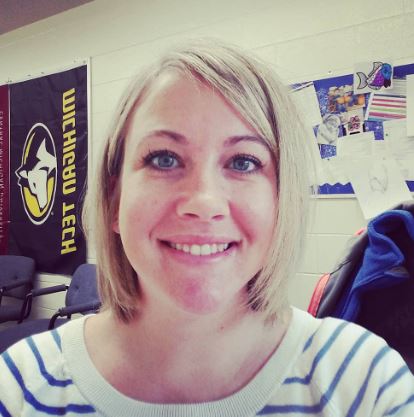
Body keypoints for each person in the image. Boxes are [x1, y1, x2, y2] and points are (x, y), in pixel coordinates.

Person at [1, 40, 413, 417]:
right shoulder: (19, 387)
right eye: (163, 158)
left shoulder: (365, 381)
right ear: (114, 200)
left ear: (280, 202)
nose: (204, 203)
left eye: (243, 162)